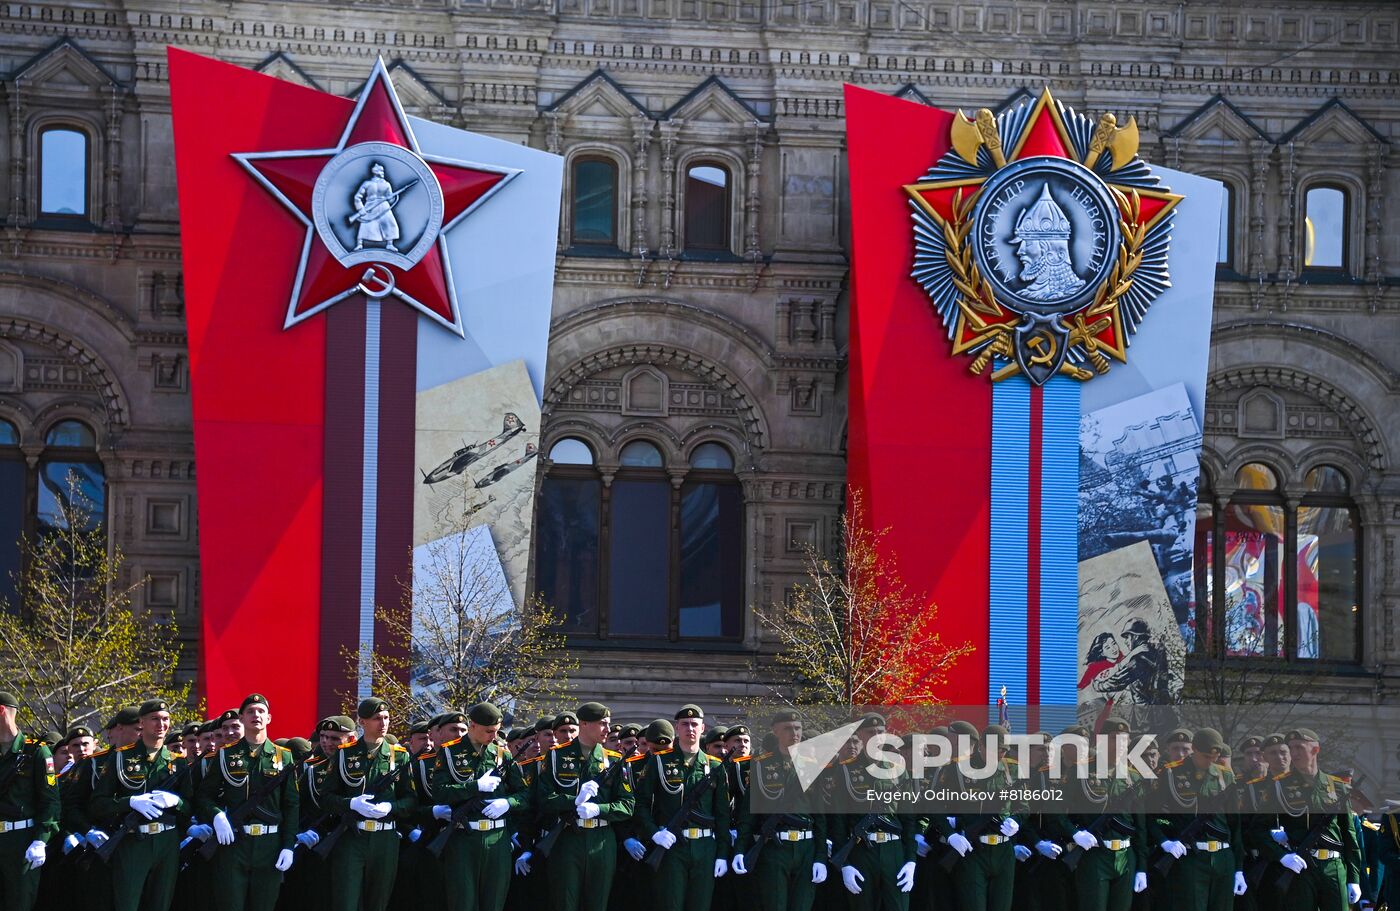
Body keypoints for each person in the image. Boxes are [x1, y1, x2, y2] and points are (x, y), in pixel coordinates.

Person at [194, 693, 299, 911]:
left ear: (269, 718)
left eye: (261, 711)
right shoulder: (225, 755)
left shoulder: (284, 757)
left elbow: (291, 805)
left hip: (269, 844)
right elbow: (204, 796)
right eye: (250, 711)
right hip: (234, 843)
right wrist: (216, 815)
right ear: (242, 718)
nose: (256, 715)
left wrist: (288, 845)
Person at [1246, 729, 1360, 911]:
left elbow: (1349, 835)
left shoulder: (1338, 787)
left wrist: (1354, 878)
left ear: (1315, 750)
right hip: (1299, 867)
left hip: (1333, 867)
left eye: (1299, 747)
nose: (1294, 753)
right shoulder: (1279, 787)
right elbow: (1257, 830)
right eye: (1291, 748)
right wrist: (1282, 856)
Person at [90, 699, 188, 911]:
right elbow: (98, 804)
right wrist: (130, 802)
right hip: (133, 840)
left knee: (161, 904)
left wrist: (178, 802)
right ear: (141, 723)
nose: (161, 724)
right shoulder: (120, 758)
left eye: (165, 719)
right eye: (155, 719)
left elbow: (190, 806)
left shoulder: (178, 761)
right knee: (127, 903)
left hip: (166, 841)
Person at [319, 697, 416, 911]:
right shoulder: (345, 753)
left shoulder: (399, 756)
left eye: (386, 717)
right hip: (352, 836)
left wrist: (391, 807)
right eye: (377, 718)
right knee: (346, 901)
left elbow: (410, 800)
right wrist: (351, 803)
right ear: (362, 722)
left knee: (378, 902)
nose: (383, 723)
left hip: (385, 838)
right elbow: (325, 798)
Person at [537, 701, 635, 911]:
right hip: (567, 838)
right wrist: (573, 800)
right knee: (565, 902)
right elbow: (543, 799)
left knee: (597, 903)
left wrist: (600, 809)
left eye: (608, 723)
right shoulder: (555, 756)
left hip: (601, 840)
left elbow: (627, 805)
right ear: (584, 724)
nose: (607, 729)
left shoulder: (615, 760)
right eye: (602, 723)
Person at [430, 702, 528, 911]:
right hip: (463, 838)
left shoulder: (502, 754)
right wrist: (475, 786)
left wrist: (507, 803)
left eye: (496, 731)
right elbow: (439, 792)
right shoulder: (449, 752)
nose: (494, 736)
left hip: (496, 838)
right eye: (489, 731)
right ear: (472, 725)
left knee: (494, 901)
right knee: (463, 901)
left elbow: (524, 794)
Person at [632, 704, 732, 911]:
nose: (690, 728)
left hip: (705, 846)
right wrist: (654, 833)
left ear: (702, 728)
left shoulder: (715, 766)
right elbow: (640, 804)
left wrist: (722, 853)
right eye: (685, 724)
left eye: (694, 724)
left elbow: (723, 814)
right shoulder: (659, 762)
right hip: (672, 846)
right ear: (677, 728)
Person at [732, 709, 825, 911]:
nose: (795, 733)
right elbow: (748, 813)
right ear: (775, 731)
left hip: (806, 847)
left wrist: (820, 857)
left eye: (798, 728)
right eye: (788, 728)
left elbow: (820, 817)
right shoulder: (761, 765)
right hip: (774, 847)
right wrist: (739, 849)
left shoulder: (813, 767)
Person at [1147, 728, 1243, 911]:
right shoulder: (1170, 773)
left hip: (1223, 857)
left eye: (1215, 757)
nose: (1211, 761)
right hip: (1190, 857)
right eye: (1206, 756)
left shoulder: (1225, 775)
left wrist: (1238, 868)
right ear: (1194, 749)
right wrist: (1164, 841)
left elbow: (1234, 824)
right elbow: (1149, 815)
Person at [830, 713, 915, 911]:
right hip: (861, 850)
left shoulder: (898, 769)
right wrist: (845, 864)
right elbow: (839, 821)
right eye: (871, 732)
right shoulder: (845, 771)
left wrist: (911, 860)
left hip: (893, 850)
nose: (877, 736)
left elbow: (909, 818)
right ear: (860, 735)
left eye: (881, 732)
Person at [0, 691, 59, 911]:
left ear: (1, 711)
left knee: (19, 902)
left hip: (21, 840)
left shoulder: (36, 751)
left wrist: (40, 840)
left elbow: (51, 801)